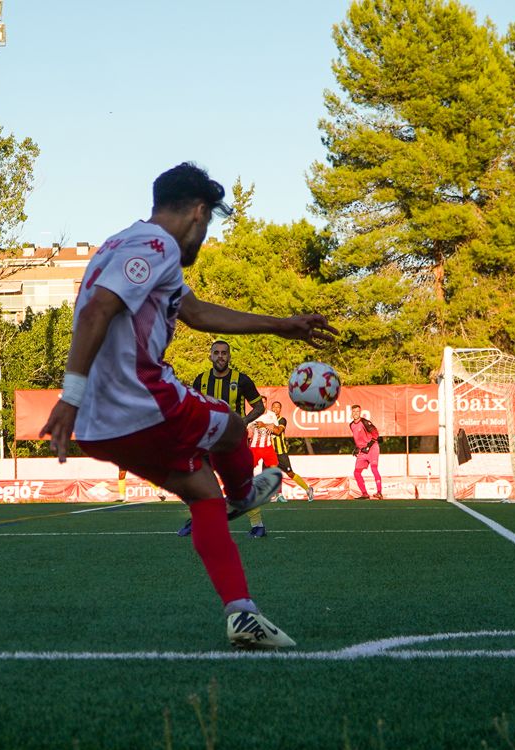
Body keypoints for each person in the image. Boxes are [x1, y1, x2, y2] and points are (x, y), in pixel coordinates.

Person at [39, 162, 336, 648]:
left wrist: (280, 324)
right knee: (235, 428)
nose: (204, 237)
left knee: (202, 495)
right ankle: (245, 492)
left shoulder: (121, 244)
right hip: (140, 399)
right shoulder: (158, 247)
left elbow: (195, 313)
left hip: (102, 424)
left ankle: (242, 614)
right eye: (208, 224)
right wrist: (67, 397)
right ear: (198, 213)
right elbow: (97, 310)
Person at [178, 340, 270, 538]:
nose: (220, 356)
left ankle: (258, 525)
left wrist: (242, 421)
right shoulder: (200, 380)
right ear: (210, 356)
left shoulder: (242, 380)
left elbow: (259, 407)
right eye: (217, 353)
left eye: (224, 353)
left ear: (229, 356)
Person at [264, 400, 315, 502]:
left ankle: (308, 489)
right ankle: (277, 494)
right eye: (274, 407)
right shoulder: (267, 420)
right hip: (269, 453)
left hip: (281, 452)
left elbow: (278, 431)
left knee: (290, 473)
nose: (275, 409)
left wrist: (267, 426)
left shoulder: (282, 420)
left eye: (278, 407)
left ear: (280, 409)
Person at [349, 405, 382, 500]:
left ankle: (379, 492)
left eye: (357, 411)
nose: (355, 413)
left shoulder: (365, 422)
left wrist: (368, 446)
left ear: (360, 412)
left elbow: (375, 434)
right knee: (356, 472)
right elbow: (358, 437)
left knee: (374, 468)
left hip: (372, 448)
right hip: (362, 451)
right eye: (354, 411)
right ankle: (364, 494)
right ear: (351, 413)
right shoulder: (351, 425)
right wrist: (356, 447)